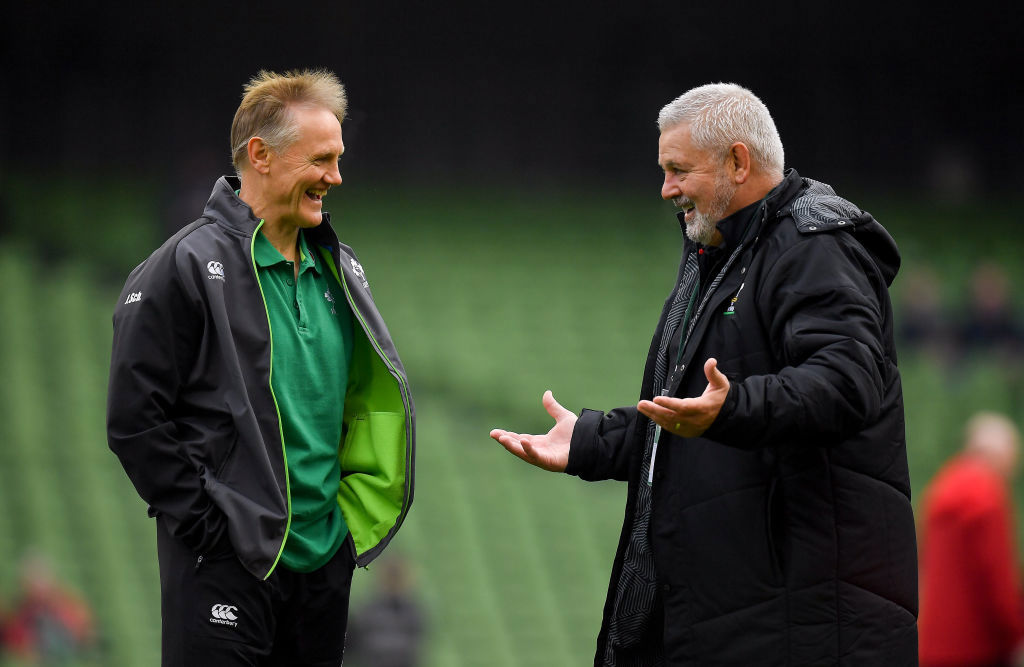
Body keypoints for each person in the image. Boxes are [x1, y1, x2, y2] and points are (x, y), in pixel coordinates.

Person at [490, 83, 917, 665]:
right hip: (741, 612)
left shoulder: (813, 248)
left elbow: (846, 382)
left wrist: (734, 406)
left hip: (800, 627)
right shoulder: (721, 254)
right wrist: (593, 440)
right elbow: (698, 416)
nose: (665, 189)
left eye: (678, 170)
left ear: (738, 163)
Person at [107, 69, 415, 666]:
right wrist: (210, 531)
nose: (336, 176)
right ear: (261, 155)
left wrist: (341, 541)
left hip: (323, 566)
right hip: (227, 566)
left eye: (339, 158)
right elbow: (133, 421)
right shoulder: (183, 265)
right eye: (321, 159)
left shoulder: (342, 270)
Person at [919, 412, 1024, 667]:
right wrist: (1015, 635)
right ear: (999, 455)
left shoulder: (942, 485)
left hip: (934, 643)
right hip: (978, 647)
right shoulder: (987, 495)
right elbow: (996, 577)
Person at [0, 551, 96, 664]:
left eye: (40, 577)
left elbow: (84, 630)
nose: (36, 584)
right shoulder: (20, 608)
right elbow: (13, 638)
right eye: (32, 578)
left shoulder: (65, 602)